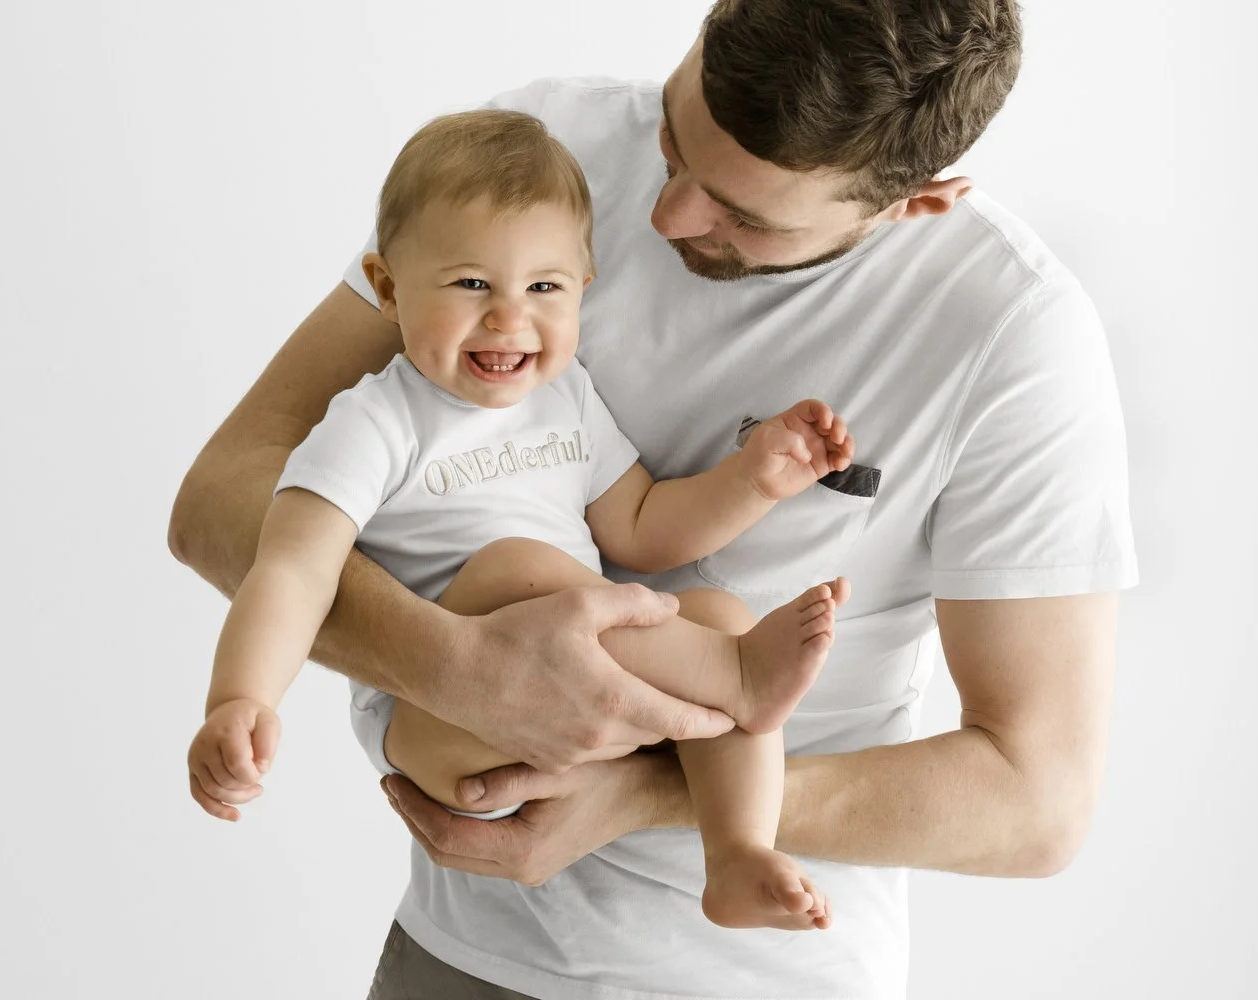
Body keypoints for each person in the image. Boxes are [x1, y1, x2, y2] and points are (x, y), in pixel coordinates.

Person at [168, 1, 1138, 997]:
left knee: (711, 617)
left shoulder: (1015, 337)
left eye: (745, 216)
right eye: (673, 141)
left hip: (756, 973)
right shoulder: (533, 163)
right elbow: (223, 504)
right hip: (465, 951)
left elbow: (1037, 801)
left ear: (918, 201)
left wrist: (641, 797)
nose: (666, 216)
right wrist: (451, 667)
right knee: (533, 578)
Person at [186, 108, 862, 931]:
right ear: (391, 285)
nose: (508, 318)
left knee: (715, 611)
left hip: (590, 697)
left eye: (543, 287)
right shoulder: (374, 423)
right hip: (441, 721)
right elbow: (291, 567)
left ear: (584, 286)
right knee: (518, 568)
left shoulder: (566, 397)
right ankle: (740, 681)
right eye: (471, 284)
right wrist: (242, 697)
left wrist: (752, 480)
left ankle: (737, 853)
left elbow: (644, 527)